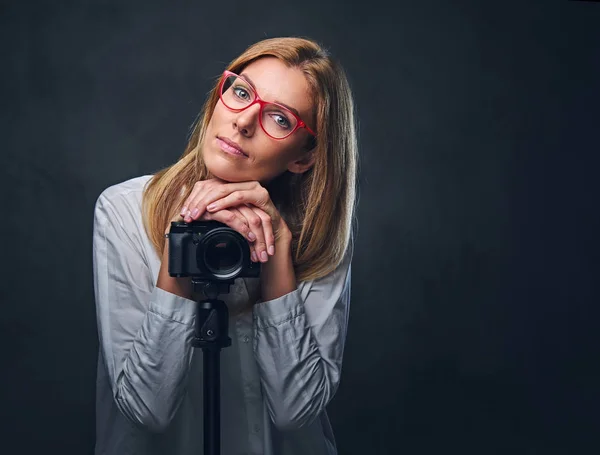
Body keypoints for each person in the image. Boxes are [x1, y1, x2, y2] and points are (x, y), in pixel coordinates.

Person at [92, 36, 358, 455]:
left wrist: (278, 248)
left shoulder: (319, 238)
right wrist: (182, 241)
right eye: (241, 92)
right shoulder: (125, 210)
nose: (244, 122)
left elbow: (295, 412)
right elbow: (146, 409)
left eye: (281, 119)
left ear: (303, 158)